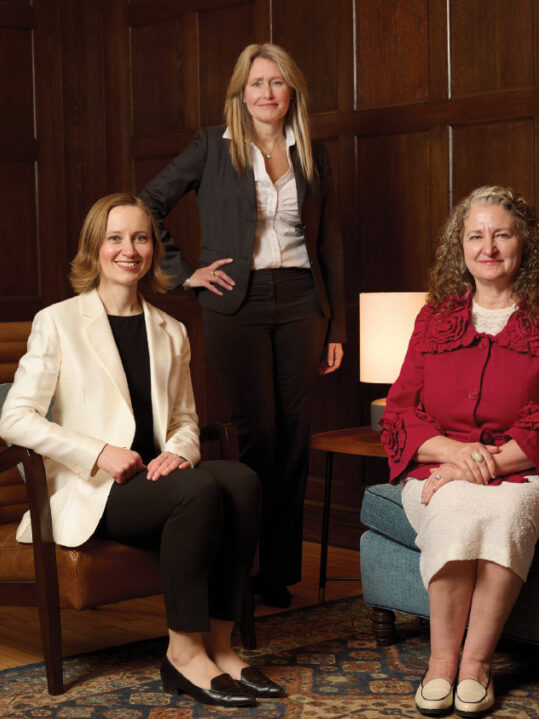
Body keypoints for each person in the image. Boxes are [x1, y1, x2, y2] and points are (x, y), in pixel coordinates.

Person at [0, 193, 285, 708]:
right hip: (96, 489)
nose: (129, 249)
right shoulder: (58, 322)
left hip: (162, 481)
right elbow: (15, 419)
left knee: (241, 479)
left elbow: (183, 420)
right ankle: (182, 652)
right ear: (95, 248)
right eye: (115, 238)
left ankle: (220, 647)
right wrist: (98, 452)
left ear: (153, 248)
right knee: (196, 490)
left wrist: (179, 452)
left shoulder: (170, 330)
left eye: (140, 237)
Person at [140, 42, 346, 609]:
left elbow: (329, 243)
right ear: (241, 92)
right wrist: (185, 273)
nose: (267, 93)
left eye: (277, 83)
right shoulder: (213, 146)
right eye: (257, 83)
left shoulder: (312, 152)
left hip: (303, 300)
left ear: (292, 92)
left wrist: (336, 327)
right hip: (236, 302)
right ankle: (240, 565)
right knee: (255, 433)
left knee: (294, 438)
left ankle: (277, 574)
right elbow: (149, 202)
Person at [379, 185, 539, 718]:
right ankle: (440, 664)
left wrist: (482, 463)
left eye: (501, 234)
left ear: (524, 244)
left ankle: (475, 664)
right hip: (442, 469)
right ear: (461, 248)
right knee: (453, 504)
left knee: (505, 508)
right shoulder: (435, 319)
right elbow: (400, 411)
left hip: (531, 476)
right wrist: (457, 454)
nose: (488, 247)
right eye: (476, 235)